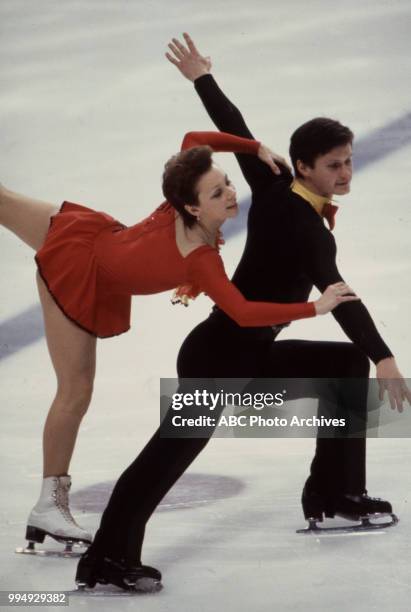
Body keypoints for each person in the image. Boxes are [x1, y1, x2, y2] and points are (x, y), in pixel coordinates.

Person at [75, 33, 411, 591]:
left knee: (344, 367)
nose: (346, 173)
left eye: (349, 161)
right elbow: (340, 295)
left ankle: (334, 494)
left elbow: (242, 134)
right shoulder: (302, 226)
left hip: (249, 350)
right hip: (219, 358)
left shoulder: (277, 181)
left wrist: (202, 77)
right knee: (166, 457)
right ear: (303, 166)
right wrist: (386, 357)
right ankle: (106, 558)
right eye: (334, 165)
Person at [0, 132, 349, 555]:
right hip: (81, 270)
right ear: (192, 205)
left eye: (228, 184)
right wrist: (315, 308)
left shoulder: (183, 201)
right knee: (75, 391)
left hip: (87, 236)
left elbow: (191, 142)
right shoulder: (200, 258)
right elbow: (242, 311)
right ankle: (49, 505)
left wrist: (250, 149)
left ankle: (49, 504)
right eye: (218, 191)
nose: (232, 194)